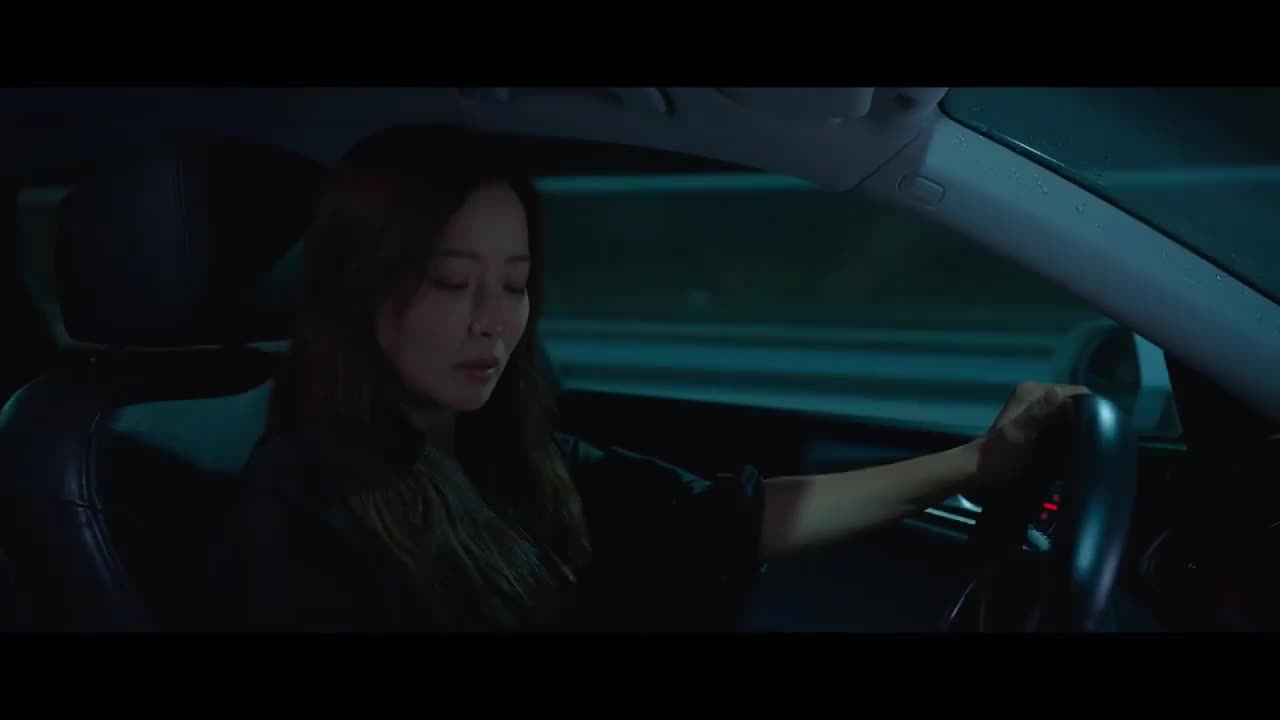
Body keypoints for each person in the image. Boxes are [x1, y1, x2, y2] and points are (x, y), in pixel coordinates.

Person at [198, 124, 1089, 633]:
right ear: (365, 289)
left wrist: (975, 463)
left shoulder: (501, 451)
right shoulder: (297, 516)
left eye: (515, 284)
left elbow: (720, 517)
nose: (494, 321)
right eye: (452, 282)